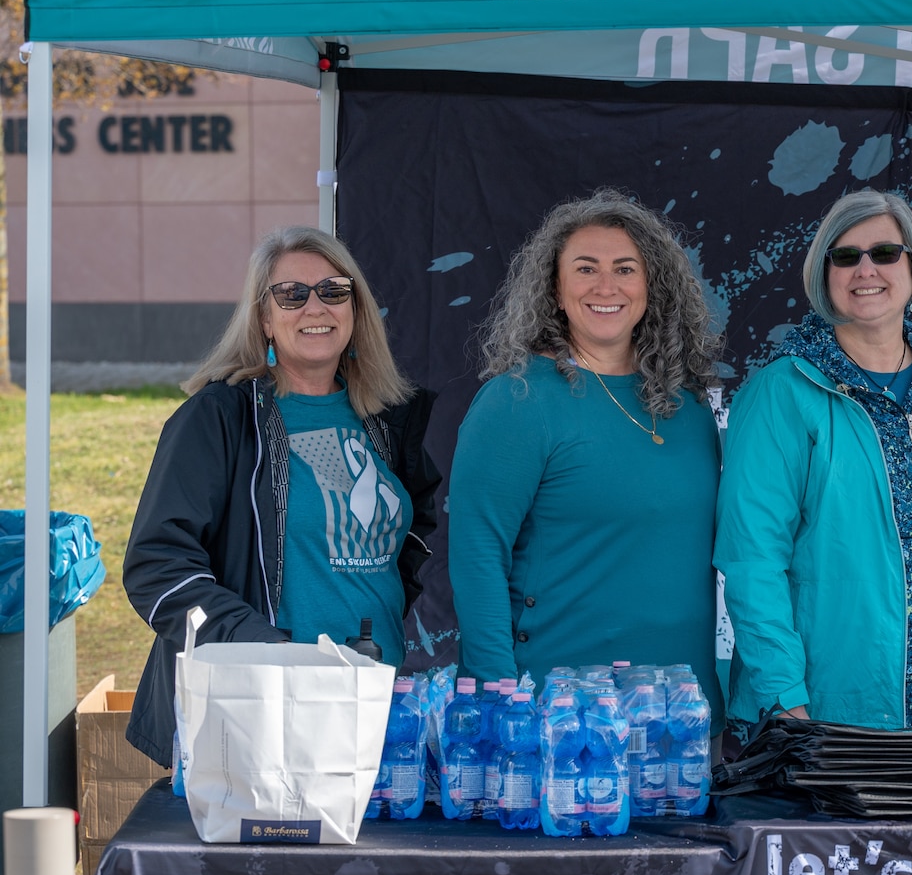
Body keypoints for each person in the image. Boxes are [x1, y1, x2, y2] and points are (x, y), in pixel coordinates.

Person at [123, 226, 438, 766]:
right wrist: (264, 647)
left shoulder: (386, 422)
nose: (314, 306)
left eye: (334, 291)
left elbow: (408, 543)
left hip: (377, 702)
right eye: (291, 293)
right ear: (263, 317)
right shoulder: (218, 419)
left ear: (356, 309)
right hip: (262, 708)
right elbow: (158, 566)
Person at [715, 190, 912, 730]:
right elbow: (752, 560)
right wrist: (783, 698)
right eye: (845, 256)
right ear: (825, 275)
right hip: (829, 713)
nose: (866, 269)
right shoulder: (784, 392)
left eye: (885, 252)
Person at [450, 189, 721, 689]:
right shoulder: (518, 401)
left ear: (651, 286)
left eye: (624, 268)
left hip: (683, 711)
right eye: (585, 267)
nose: (606, 285)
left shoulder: (692, 408)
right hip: (559, 715)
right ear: (555, 289)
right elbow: (477, 555)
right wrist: (497, 696)